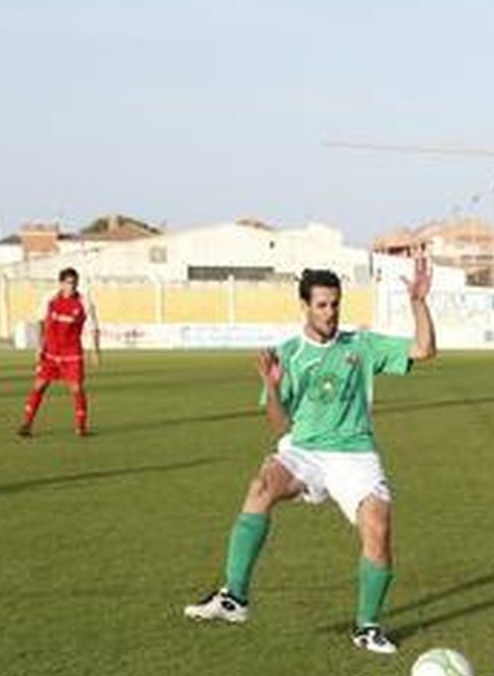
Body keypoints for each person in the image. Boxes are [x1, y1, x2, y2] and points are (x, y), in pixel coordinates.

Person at [183, 261, 437, 655]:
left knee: (378, 526)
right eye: (321, 305)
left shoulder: (361, 346)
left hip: (355, 455)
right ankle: (234, 597)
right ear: (305, 306)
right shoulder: (288, 353)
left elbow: (423, 350)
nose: (330, 313)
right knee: (261, 485)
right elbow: (280, 425)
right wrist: (270, 386)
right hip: (304, 450)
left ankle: (367, 627)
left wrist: (418, 302)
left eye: (335, 304)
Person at [17, 267, 101, 437]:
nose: (73, 286)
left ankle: (80, 427)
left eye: (75, 283)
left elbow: (94, 328)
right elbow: (41, 322)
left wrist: (95, 350)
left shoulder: (85, 302)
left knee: (76, 388)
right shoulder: (49, 299)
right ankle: (26, 423)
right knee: (39, 386)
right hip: (51, 352)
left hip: (72, 353)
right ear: (61, 283)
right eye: (69, 283)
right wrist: (40, 346)